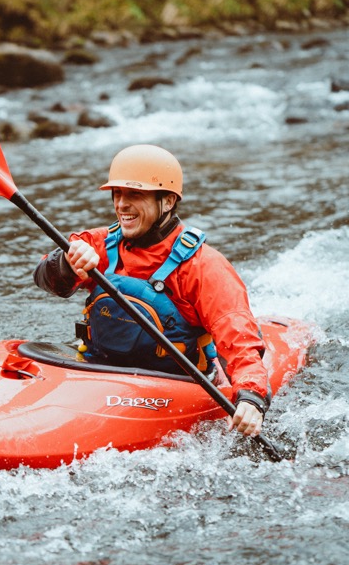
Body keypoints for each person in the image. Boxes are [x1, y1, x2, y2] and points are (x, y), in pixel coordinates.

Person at [33, 144, 271, 438]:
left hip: (175, 384)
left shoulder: (204, 266)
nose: (121, 204)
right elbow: (45, 279)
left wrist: (251, 396)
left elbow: (238, 338)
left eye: (135, 194)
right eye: (117, 194)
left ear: (168, 201)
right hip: (99, 375)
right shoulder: (99, 244)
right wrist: (67, 263)